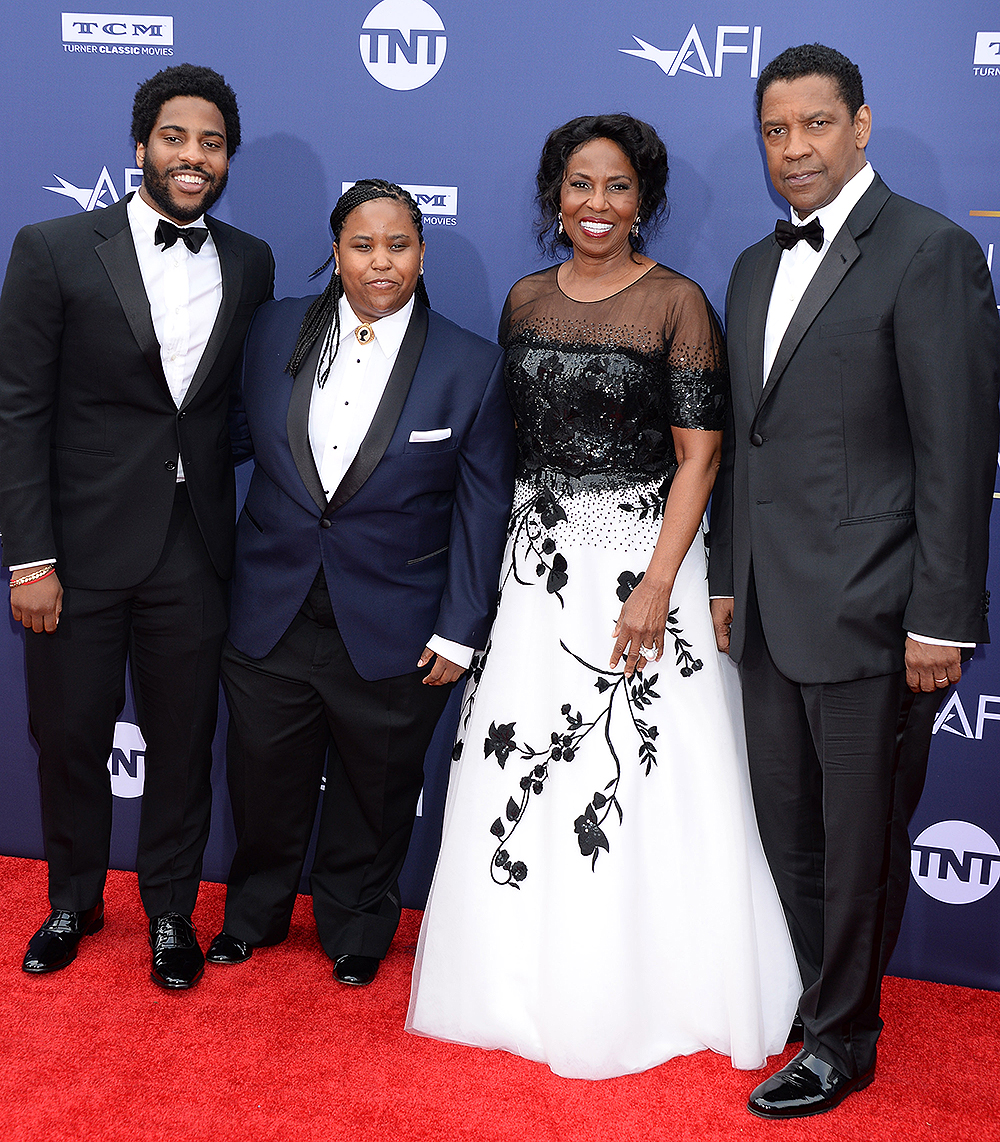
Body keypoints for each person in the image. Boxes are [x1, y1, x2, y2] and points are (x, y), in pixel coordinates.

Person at [406, 115, 800, 1079]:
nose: (596, 204)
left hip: (640, 568)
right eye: (579, 185)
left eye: (617, 187)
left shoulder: (678, 303)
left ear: (643, 200)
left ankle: (652, 989)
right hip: (536, 576)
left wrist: (658, 585)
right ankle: (519, 986)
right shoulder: (525, 302)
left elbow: (699, 458)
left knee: (650, 779)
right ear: (554, 196)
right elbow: (513, 451)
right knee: (528, 765)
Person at [709, 44, 1000, 1118]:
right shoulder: (749, 266)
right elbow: (748, 439)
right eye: (776, 131)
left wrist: (940, 615)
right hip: (769, 609)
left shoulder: (927, 251)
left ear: (862, 126)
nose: (795, 150)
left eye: (816, 126)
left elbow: (957, 450)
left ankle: (844, 1035)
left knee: (862, 835)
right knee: (790, 829)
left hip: (879, 612)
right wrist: (728, 573)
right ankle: (822, 993)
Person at [0, 65, 274, 989]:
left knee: (184, 738)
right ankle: (71, 902)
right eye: (175, 138)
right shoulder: (52, 248)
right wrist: (30, 556)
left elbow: (232, 407)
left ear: (227, 156)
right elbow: (19, 411)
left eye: (211, 143)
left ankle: (169, 914)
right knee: (71, 732)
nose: (193, 157)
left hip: (194, 550)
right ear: (141, 145)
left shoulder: (251, 260)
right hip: (74, 552)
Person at [204, 180, 516, 988]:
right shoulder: (272, 329)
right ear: (336, 250)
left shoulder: (470, 364)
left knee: (376, 791)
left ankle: (355, 926)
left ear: (422, 249)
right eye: (362, 245)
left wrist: (460, 628)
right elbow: (230, 440)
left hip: (398, 621)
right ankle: (253, 915)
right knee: (262, 778)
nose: (382, 263)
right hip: (271, 606)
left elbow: (483, 512)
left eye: (399, 245)